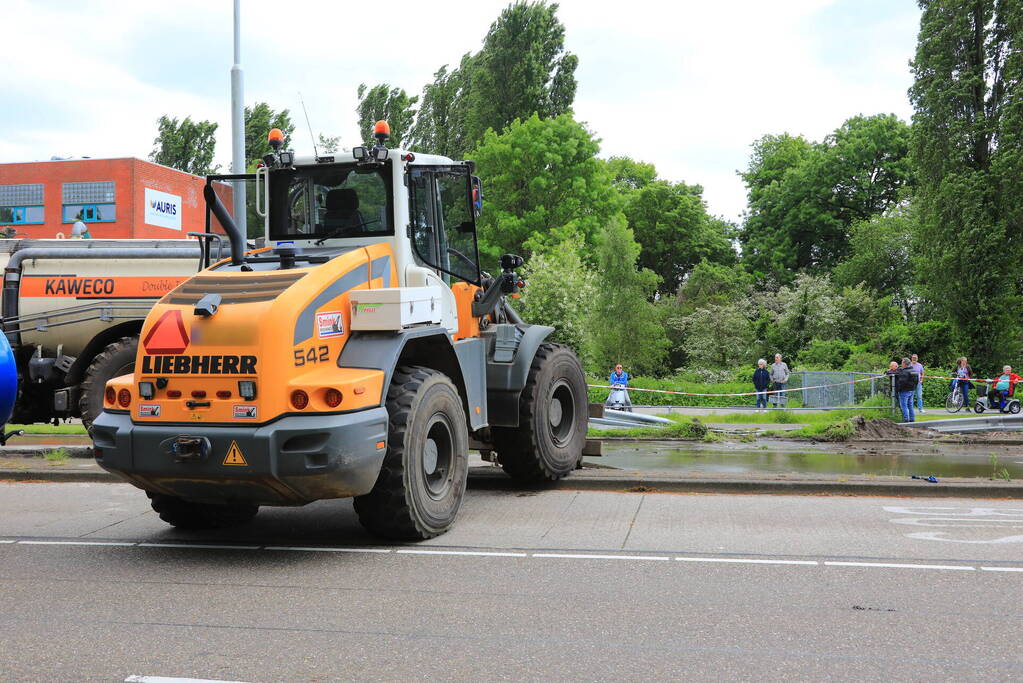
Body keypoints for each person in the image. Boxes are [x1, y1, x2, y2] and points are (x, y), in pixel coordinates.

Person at [895, 357, 919, 422]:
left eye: (902, 362)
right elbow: (917, 381)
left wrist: (898, 389)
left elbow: (902, 382)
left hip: (904, 391)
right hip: (912, 391)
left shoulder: (905, 372)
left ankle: (906, 419)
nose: (901, 364)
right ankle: (912, 418)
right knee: (910, 406)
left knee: (904, 406)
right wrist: (914, 388)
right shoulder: (914, 371)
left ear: (904, 363)